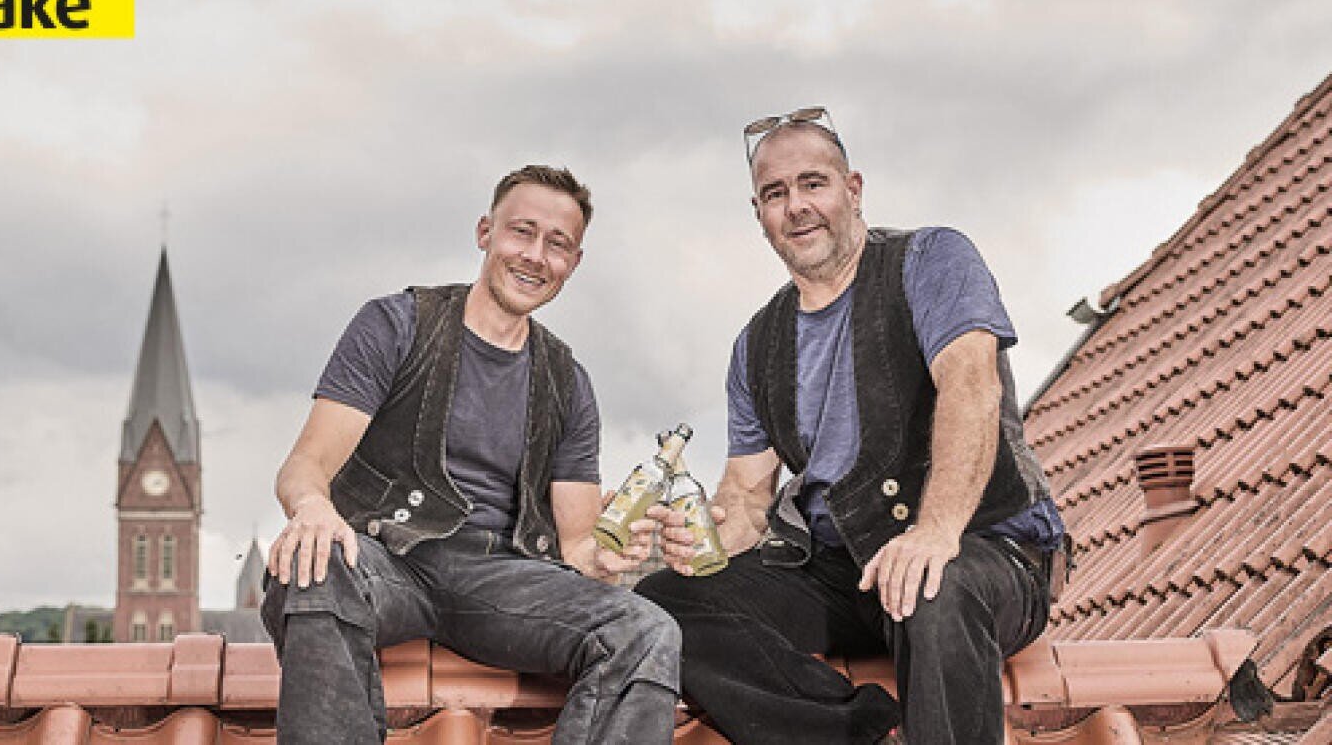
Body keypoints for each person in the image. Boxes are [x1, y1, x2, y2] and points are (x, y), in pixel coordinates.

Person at [637, 109, 1067, 744]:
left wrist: (935, 531)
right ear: (759, 213)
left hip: (982, 550)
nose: (796, 207)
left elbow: (972, 387)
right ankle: (858, 733)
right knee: (665, 600)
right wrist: (706, 536)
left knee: (933, 586)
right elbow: (749, 497)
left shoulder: (931, 259)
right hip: (844, 569)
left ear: (853, 189)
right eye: (775, 194)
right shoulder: (756, 344)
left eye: (813, 184)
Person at [261, 165, 681, 744]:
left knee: (647, 629)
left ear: (574, 262)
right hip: (390, 560)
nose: (535, 255)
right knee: (312, 562)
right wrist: (311, 506)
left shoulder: (567, 382)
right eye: (522, 232)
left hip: (502, 581)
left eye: (557, 243)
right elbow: (304, 468)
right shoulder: (397, 325)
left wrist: (607, 555)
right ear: (486, 232)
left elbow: (578, 542)